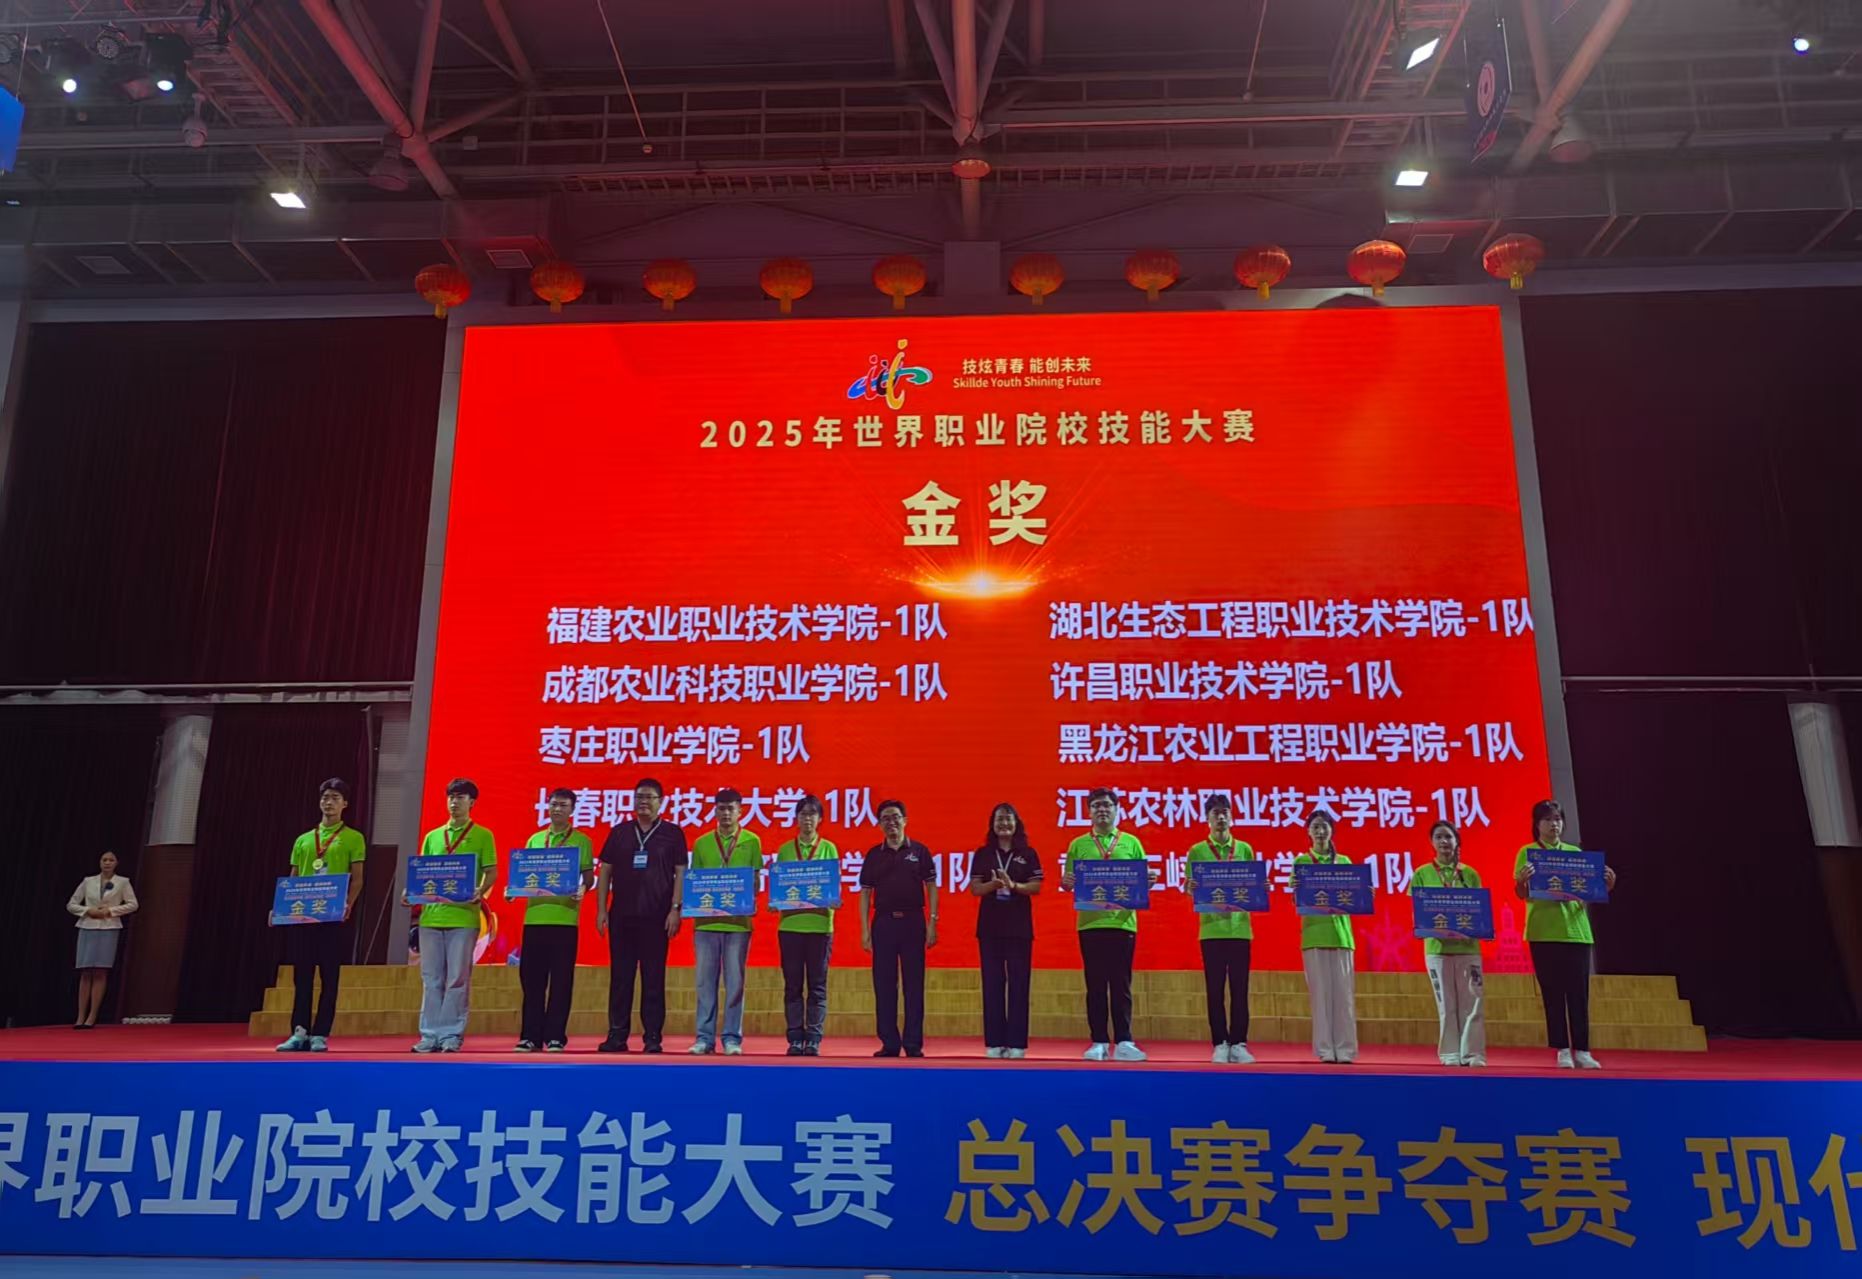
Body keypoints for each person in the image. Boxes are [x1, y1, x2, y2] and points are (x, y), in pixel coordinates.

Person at [1514, 798, 1617, 1070]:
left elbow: (1589, 893)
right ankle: (1561, 1048)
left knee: (1579, 994)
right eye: (1548, 820)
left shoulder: (1575, 853)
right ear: (1537, 824)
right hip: (1543, 932)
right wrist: (1522, 881)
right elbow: (1521, 893)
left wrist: (1606, 885)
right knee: (1552, 993)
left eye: (1558, 819)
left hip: (1576, 932)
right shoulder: (1528, 853)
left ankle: (1582, 1050)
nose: (1554, 825)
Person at [1059, 786, 1158, 1062]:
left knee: (1121, 985)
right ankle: (1099, 1041)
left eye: (1107, 805)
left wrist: (1148, 881)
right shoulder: (1078, 844)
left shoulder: (1132, 843)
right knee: (1095, 985)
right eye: (1096, 806)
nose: (1102, 810)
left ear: (1116, 810)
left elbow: (1141, 881)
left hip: (1123, 924)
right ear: (1089, 812)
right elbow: (1068, 882)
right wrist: (1066, 882)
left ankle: (1124, 1040)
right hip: (1090, 924)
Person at [595, 777, 686, 1053]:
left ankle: (653, 1037)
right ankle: (617, 1035)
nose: (643, 802)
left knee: (653, 978)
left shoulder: (672, 833)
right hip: (622, 917)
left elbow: (680, 872)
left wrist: (675, 909)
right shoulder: (620, 832)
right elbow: (605, 871)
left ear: (661, 802)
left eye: (649, 797)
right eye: (639, 797)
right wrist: (601, 909)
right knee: (621, 978)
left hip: (657, 917)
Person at [276, 778, 366, 1053]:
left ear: (345, 804)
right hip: (304, 918)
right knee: (302, 976)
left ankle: (320, 1033)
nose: (329, 802)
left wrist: (348, 905)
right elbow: (293, 879)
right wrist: (281, 908)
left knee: (329, 976)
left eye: (335, 798)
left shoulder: (353, 838)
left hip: (333, 917)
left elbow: (358, 879)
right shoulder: (303, 840)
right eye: (326, 797)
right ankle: (299, 1031)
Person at [408, 777, 496, 1053]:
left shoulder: (483, 835)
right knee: (431, 979)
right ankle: (429, 1035)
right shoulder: (433, 836)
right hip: (431, 919)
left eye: (460, 797)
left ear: (472, 802)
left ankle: (451, 1034)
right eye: (451, 797)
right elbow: (422, 872)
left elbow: (491, 871)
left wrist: (480, 890)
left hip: (464, 918)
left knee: (457, 979)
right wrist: (410, 893)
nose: (454, 802)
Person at [514, 787, 595, 1053]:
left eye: (563, 805)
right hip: (534, 919)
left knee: (561, 982)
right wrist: (513, 888)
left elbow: (589, 877)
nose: (557, 809)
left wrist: (583, 887)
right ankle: (530, 1036)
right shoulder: (535, 840)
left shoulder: (581, 841)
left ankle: (556, 1036)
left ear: (572, 810)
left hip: (565, 919)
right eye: (553, 804)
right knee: (532, 981)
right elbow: (523, 876)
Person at [860, 798, 938, 1058]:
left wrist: (932, 921)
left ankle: (913, 1043)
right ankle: (889, 1042)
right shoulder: (874, 855)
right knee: (884, 984)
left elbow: (931, 887)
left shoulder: (920, 851)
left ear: (905, 820)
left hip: (913, 922)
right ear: (879, 824)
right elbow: (865, 893)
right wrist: (864, 930)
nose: (891, 822)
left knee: (914, 984)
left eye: (895, 817)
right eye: (885, 819)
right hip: (883, 923)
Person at [689, 787, 762, 1055]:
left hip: (738, 923)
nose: (726, 814)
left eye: (731, 809)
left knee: (735, 984)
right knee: (705, 983)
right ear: (715, 811)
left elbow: (755, 881)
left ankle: (732, 1038)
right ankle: (704, 1038)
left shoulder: (752, 841)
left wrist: (745, 896)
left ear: (740, 811)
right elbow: (694, 882)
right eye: (721, 809)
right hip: (706, 924)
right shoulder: (702, 843)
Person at [1186, 794, 1256, 1065]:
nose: (1221, 817)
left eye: (1225, 812)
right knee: (1214, 990)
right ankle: (1219, 1042)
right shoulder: (1197, 851)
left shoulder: (1245, 849)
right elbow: (1190, 887)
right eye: (1215, 813)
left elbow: (1252, 887)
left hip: (1240, 930)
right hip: (1211, 930)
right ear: (1207, 818)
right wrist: (1190, 887)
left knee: (1240, 989)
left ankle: (1239, 1042)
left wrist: (1260, 888)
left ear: (1232, 817)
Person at [1410, 820, 1485, 1068]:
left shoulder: (1470, 873)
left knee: (1473, 1002)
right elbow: (1417, 911)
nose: (1444, 841)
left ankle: (1473, 1053)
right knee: (1446, 1005)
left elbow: (1479, 909)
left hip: (1468, 948)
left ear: (1457, 841)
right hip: (1437, 949)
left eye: (1448, 837)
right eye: (1439, 837)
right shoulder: (1421, 874)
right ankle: (1450, 1052)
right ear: (1432, 843)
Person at [970, 802, 1042, 1060]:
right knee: (992, 984)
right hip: (989, 927)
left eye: (1008, 819)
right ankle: (994, 1041)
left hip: (1019, 928)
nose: (1004, 824)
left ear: (1016, 823)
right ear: (992, 824)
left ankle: (1017, 1043)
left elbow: (1036, 887)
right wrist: (994, 885)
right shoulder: (983, 854)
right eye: (999, 819)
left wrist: (1013, 886)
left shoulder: (1028, 853)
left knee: (1019, 985)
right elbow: (975, 888)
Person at [771, 794, 838, 1056]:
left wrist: (834, 897)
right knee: (793, 986)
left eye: (812, 813)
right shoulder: (786, 850)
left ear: (820, 819)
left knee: (818, 986)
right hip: (790, 926)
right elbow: (780, 885)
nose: (807, 818)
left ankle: (814, 1039)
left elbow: (833, 885)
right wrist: (776, 900)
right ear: (796, 818)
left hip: (820, 927)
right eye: (803, 813)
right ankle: (795, 1038)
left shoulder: (829, 848)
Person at [1295, 810, 1358, 1064]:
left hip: (1342, 936)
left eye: (1324, 827)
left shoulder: (1344, 862)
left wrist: (1364, 894)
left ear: (1332, 830)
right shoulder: (1301, 862)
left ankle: (1345, 1048)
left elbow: (1354, 898)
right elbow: (1298, 899)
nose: (1320, 832)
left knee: (1344, 997)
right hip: (1314, 936)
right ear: (1308, 832)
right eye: (1316, 827)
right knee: (1320, 998)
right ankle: (1324, 1049)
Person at [68, 850, 138, 1029]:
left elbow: (133, 904)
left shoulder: (122, 882)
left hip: (108, 928)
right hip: (87, 927)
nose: (107, 863)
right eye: (104, 860)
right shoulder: (88, 881)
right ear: (100, 862)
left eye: (111, 860)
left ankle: (92, 1016)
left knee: (100, 971)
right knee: (85, 971)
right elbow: (71, 904)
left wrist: (111, 911)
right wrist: (87, 910)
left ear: (116, 863)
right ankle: (80, 1016)